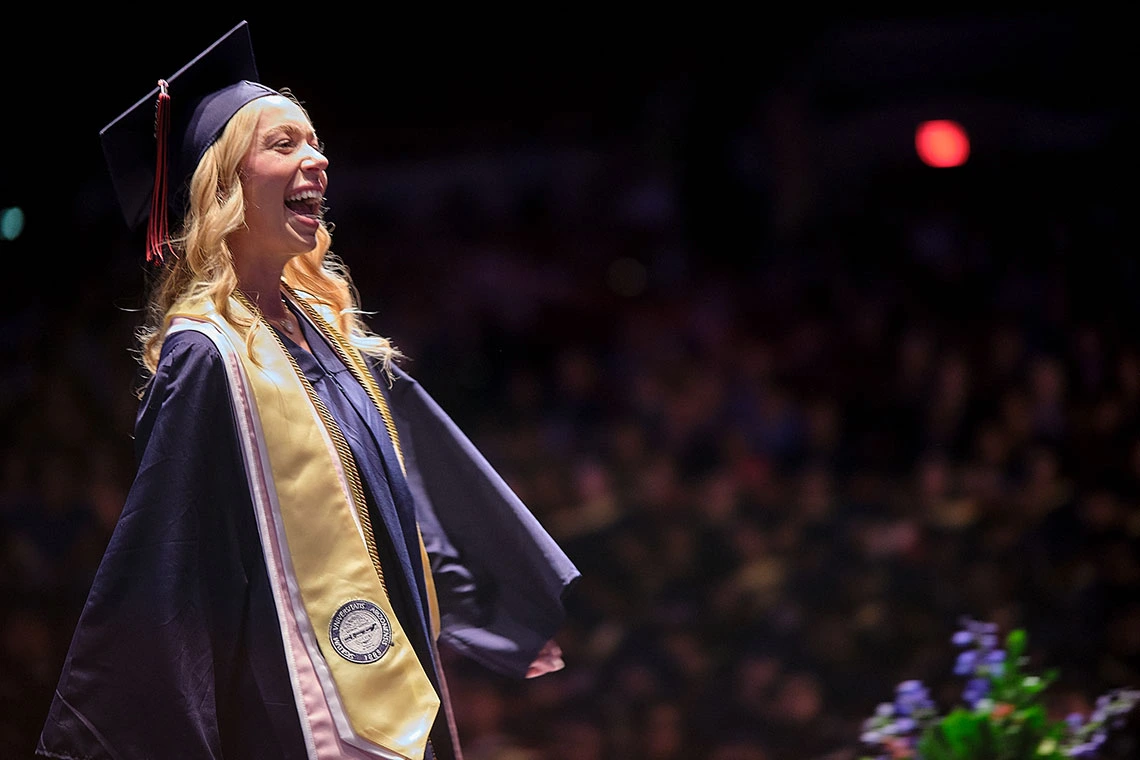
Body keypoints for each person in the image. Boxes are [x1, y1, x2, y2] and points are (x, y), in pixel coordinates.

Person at [37, 21, 579, 760]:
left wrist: (496, 597)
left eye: (315, 142)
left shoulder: (327, 333)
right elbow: (168, 563)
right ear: (223, 184)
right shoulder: (207, 357)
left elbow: (414, 483)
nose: (318, 161)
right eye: (284, 144)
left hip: (393, 677)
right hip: (296, 702)